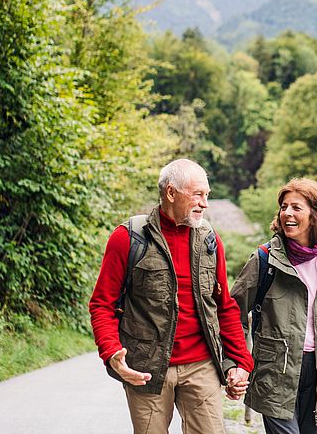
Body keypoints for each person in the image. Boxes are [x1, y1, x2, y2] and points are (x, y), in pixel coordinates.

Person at [89, 159, 253, 434]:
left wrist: (240, 362)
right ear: (170, 192)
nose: (205, 203)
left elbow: (224, 306)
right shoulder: (128, 237)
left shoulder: (210, 239)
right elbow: (102, 304)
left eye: (207, 195)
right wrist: (112, 352)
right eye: (198, 194)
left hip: (202, 365)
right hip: (147, 368)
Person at [230, 178, 317, 434]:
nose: (287, 213)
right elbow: (232, 312)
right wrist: (238, 362)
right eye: (284, 207)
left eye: (296, 207)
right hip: (275, 372)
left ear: (316, 215)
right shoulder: (264, 260)